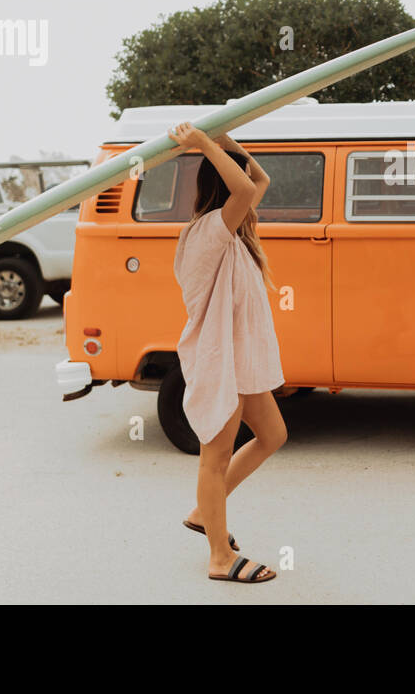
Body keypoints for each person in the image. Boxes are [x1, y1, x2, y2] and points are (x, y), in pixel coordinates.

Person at [167, 121, 287, 584]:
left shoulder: (230, 230)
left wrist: (224, 142)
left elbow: (259, 181)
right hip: (218, 360)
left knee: (272, 434)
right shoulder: (207, 233)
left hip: (240, 363)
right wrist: (201, 145)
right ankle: (219, 556)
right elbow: (244, 186)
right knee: (213, 458)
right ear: (220, 185)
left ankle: (204, 511)